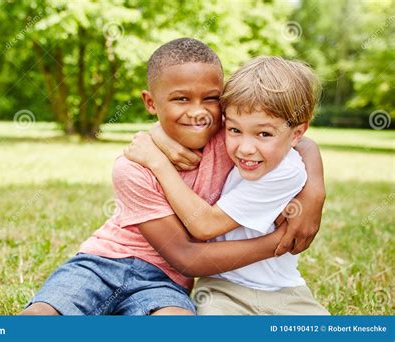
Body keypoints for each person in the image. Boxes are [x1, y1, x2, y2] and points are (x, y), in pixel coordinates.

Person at [20, 39, 325, 316]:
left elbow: (297, 141)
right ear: (151, 102)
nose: (198, 113)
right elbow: (188, 256)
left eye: (211, 99)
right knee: (40, 317)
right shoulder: (133, 167)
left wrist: (314, 192)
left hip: (165, 283)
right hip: (100, 264)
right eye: (181, 99)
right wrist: (277, 242)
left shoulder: (230, 139)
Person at [124, 56, 329, 315]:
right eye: (234, 130)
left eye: (263, 134)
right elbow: (185, 121)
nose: (244, 148)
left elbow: (205, 225)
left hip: (285, 291)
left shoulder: (286, 171)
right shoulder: (237, 140)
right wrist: (156, 135)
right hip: (221, 288)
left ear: (296, 134)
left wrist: (158, 163)